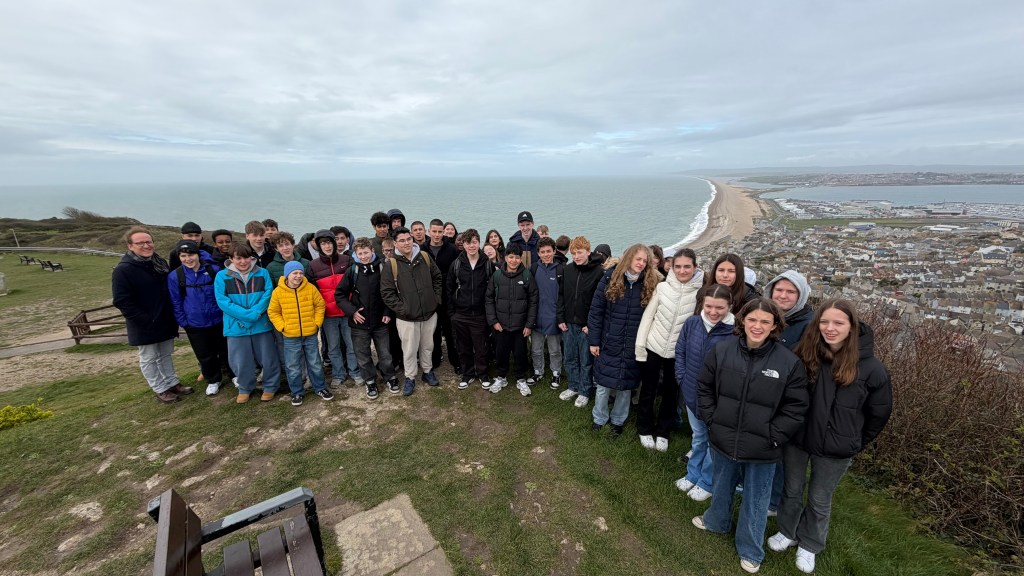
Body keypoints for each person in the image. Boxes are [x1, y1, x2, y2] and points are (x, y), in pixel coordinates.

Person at [768, 299, 892, 573]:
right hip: (798, 438)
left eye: (838, 323)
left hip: (837, 446)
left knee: (819, 499)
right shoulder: (804, 353)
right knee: (791, 489)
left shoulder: (872, 369)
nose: (830, 328)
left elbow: (879, 414)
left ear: (852, 326)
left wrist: (855, 440)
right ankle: (787, 531)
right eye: (824, 322)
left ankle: (810, 543)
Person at [692, 298, 809, 574]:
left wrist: (774, 436)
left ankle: (750, 548)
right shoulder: (723, 351)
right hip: (724, 436)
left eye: (765, 322)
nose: (757, 326)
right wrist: (713, 421)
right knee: (721, 484)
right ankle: (716, 521)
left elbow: (796, 408)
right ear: (742, 320)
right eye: (752, 320)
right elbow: (705, 388)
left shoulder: (788, 362)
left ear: (775, 326)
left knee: (757, 499)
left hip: (763, 446)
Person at [634, 249, 704, 452]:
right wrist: (640, 347)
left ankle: (663, 431)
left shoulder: (700, 293)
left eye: (687, 266)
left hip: (678, 352)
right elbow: (648, 317)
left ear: (695, 267)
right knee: (648, 389)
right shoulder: (662, 287)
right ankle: (644, 428)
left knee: (671, 393)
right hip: (654, 345)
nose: (682, 271)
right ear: (672, 267)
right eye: (677, 266)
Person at [587, 244, 660, 435]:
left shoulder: (650, 283)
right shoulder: (610, 277)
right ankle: (599, 418)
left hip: (633, 344)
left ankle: (618, 421)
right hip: (609, 341)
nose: (641, 263)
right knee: (603, 384)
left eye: (644, 261)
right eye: (638, 259)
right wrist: (594, 341)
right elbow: (596, 311)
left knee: (625, 386)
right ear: (628, 258)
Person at [112, 226, 189, 403]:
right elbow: (122, 301)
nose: (146, 245)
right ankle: (160, 389)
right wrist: (146, 319)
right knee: (149, 358)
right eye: (140, 243)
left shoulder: (158, 262)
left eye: (149, 241)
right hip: (145, 323)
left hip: (164, 319)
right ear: (130, 246)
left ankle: (172, 382)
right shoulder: (123, 270)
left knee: (165, 354)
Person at [673, 284, 735, 502]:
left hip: (718, 399)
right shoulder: (692, 323)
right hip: (691, 392)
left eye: (720, 307)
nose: (713, 312)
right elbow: (680, 350)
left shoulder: (735, 332)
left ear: (730, 306)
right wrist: (682, 378)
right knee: (698, 437)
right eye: (709, 306)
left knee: (713, 442)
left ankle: (707, 481)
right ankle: (693, 474)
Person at [764, 269, 815, 515]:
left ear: (801, 295)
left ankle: (775, 501)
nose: (783, 296)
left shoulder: (808, 325)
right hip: (766, 394)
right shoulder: (769, 316)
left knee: (782, 452)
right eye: (779, 290)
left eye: (790, 291)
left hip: (788, 399)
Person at [214, 243, 281, 404]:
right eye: (238, 258)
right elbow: (222, 301)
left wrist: (256, 312)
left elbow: (268, 294)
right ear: (231, 259)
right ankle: (245, 387)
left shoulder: (262, 273)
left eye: (246, 258)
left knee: (268, 358)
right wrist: (247, 316)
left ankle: (270, 386)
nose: (243, 262)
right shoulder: (222, 276)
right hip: (236, 326)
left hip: (261, 323)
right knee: (240, 360)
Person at [380, 226, 443, 396]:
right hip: (407, 318)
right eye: (402, 241)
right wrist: (404, 309)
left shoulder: (424, 256)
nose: (406, 243)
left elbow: (437, 278)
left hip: (429, 313)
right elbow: (387, 293)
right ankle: (410, 377)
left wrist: (435, 299)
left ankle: (427, 372)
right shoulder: (391, 264)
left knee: (428, 346)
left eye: (408, 239)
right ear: (395, 243)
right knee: (409, 350)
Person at [167, 239, 232, 397]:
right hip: (195, 322)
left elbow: (225, 292)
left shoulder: (213, 270)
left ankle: (234, 375)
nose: (188, 259)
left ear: (198, 255)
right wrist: (184, 322)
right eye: (183, 256)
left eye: (191, 255)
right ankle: (213, 380)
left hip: (218, 318)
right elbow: (176, 301)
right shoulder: (175, 276)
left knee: (226, 350)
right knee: (204, 353)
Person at [335, 237, 398, 398]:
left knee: (385, 354)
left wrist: (387, 312)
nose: (363, 256)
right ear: (355, 254)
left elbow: (391, 292)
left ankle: (390, 377)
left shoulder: (383, 268)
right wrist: (352, 311)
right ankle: (369, 380)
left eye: (366, 252)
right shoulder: (352, 271)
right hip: (360, 322)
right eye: (360, 253)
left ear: (372, 251)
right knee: (363, 355)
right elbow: (340, 295)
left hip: (381, 320)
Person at [267, 261, 334, 406]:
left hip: (310, 334)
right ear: (287, 275)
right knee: (293, 366)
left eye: (301, 273)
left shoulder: (310, 288)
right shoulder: (278, 292)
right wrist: (282, 327)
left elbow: (320, 305)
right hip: (290, 336)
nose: (298, 276)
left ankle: (320, 388)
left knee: (315, 363)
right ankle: (297, 392)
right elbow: (273, 312)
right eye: (295, 273)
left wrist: (317, 323)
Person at [556, 236, 606, 407]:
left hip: (586, 326)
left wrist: (591, 324)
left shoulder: (598, 272)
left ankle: (585, 390)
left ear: (588, 252)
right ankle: (573, 386)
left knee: (585, 361)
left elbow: (600, 302)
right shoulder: (567, 270)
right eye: (574, 253)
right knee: (569, 358)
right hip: (568, 323)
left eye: (580, 253)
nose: (576, 256)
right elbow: (561, 295)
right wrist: (560, 318)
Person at [485, 244, 538, 396]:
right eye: (511, 257)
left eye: (517, 257)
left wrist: (529, 324)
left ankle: (521, 378)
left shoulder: (527, 276)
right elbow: (489, 299)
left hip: (521, 326)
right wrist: (494, 321)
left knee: (520, 353)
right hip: (501, 325)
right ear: (506, 258)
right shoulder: (497, 276)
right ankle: (501, 377)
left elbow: (533, 301)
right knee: (500, 352)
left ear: (521, 259)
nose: (514, 260)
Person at [308, 229, 358, 386]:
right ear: (319, 246)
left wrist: (353, 307)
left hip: (347, 311)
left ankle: (354, 371)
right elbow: (312, 292)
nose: (327, 246)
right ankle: (338, 374)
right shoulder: (313, 266)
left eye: (329, 242)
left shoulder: (347, 260)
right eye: (323, 243)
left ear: (334, 244)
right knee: (333, 346)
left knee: (351, 344)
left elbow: (355, 284)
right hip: (328, 314)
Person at [447, 229, 494, 390]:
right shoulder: (457, 264)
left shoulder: (487, 264)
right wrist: (452, 313)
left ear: (479, 243)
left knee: (481, 347)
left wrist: (489, 313)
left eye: (474, 242)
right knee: (463, 346)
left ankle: (483, 374)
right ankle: (467, 374)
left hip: (480, 314)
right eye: (468, 243)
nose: (471, 246)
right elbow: (449, 288)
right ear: (464, 245)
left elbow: (492, 290)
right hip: (460, 313)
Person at [425, 219, 461, 376]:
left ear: (443, 232)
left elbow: (456, 273)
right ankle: (435, 358)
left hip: (448, 296)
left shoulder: (452, 249)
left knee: (450, 329)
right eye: (434, 231)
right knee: (433, 330)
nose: (437, 235)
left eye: (440, 232)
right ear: (429, 231)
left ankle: (455, 360)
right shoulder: (422, 249)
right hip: (430, 296)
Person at [528, 237, 563, 388]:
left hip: (554, 316)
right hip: (537, 316)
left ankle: (556, 373)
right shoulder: (534, 268)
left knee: (554, 349)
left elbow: (563, 295)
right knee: (536, 348)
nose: (546, 254)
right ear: (538, 253)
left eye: (549, 251)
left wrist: (560, 316)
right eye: (542, 252)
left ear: (554, 251)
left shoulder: (561, 270)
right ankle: (538, 372)